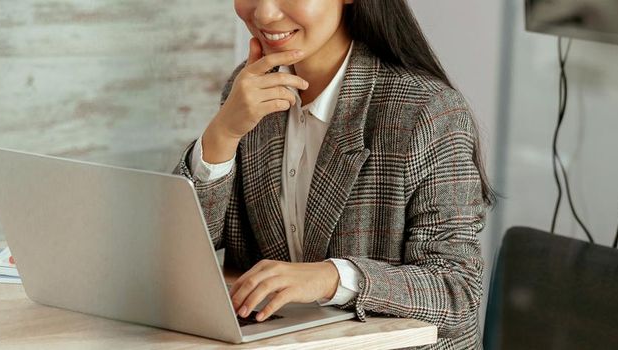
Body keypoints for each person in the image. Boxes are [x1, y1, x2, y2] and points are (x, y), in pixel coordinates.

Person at [172, 1, 495, 348]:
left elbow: (456, 291)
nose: (264, 13)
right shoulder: (250, 91)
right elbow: (183, 248)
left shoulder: (427, 112)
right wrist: (222, 134)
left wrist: (331, 278)